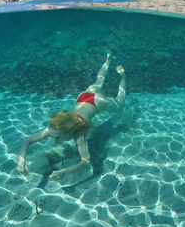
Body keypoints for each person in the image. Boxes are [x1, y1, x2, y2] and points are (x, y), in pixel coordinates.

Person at [17, 54, 126, 182]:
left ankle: (123, 76)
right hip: (83, 97)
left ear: (69, 132)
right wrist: (21, 159)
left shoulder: (79, 135)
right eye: (52, 136)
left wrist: (64, 171)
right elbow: (28, 141)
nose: (54, 140)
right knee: (99, 81)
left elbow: (86, 161)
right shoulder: (55, 127)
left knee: (120, 104)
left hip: (97, 101)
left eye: (57, 137)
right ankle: (107, 60)